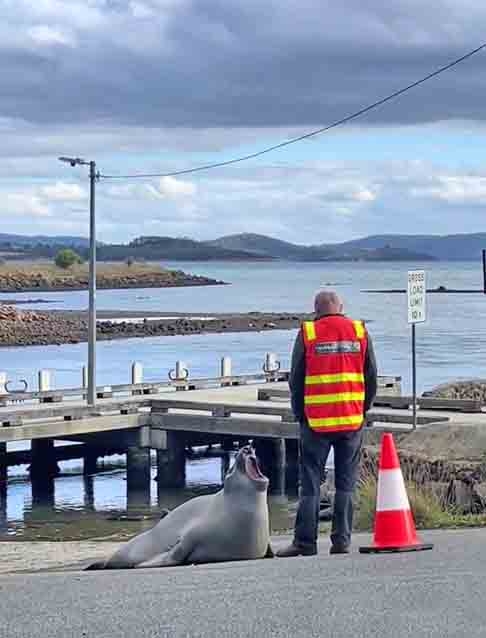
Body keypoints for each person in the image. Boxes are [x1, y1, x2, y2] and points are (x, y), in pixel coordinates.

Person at [276, 290, 377, 557]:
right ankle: (341, 542)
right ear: (341, 307)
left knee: (309, 483)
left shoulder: (308, 333)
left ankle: (305, 543)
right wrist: (362, 409)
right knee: (346, 484)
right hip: (351, 420)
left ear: (316, 309)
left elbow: (296, 379)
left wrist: (299, 413)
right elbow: (371, 376)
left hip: (316, 422)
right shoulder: (359, 330)